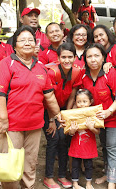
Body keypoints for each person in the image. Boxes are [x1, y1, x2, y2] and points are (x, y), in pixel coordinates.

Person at [0, 26, 62, 189]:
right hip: (11, 126)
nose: (27, 43)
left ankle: (27, 186)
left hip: (35, 125)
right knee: (10, 165)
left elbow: (49, 96)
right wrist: (3, 120)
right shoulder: (6, 65)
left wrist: (58, 116)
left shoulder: (41, 67)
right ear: (14, 45)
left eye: (31, 40)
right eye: (22, 40)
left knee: (30, 163)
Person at [81, 43, 116, 189]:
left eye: (97, 55)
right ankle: (108, 173)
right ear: (85, 59)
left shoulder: (111, 73)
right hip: (98, 119)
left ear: (103, 58)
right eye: (89, 56)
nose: (93, 59)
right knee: (105, 148)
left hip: (114, 118)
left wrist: (109, 111)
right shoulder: (84, 76)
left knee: (113, 147)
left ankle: (112, 182)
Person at [43, 43, 82, 189]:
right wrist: (53, 119)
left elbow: (73, 94)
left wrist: (68, 115)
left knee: (64, 139)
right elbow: (48, 98)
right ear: (58, 58)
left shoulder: (77, 71)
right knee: (54, 138)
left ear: (74, 57)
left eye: (70, 57)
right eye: (63, 57)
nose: (67, 60)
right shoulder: (52, 72)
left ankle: (62, 175)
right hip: (48, 110)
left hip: (64, 109)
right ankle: (48, 176)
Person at [68, 89, 100, 189]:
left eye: (85, 101)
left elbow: (97, 132)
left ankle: (88, 183)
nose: (82, 104)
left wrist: (91, 128)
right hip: (76, 144)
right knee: (75, 165)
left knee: (89, 165)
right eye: (79, 102)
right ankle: (75, 184)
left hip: (88, 145)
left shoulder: (94, 114)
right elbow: (69, 132)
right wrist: (72, 131)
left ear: (91, 102)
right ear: (75, 102)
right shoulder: (73, 115)